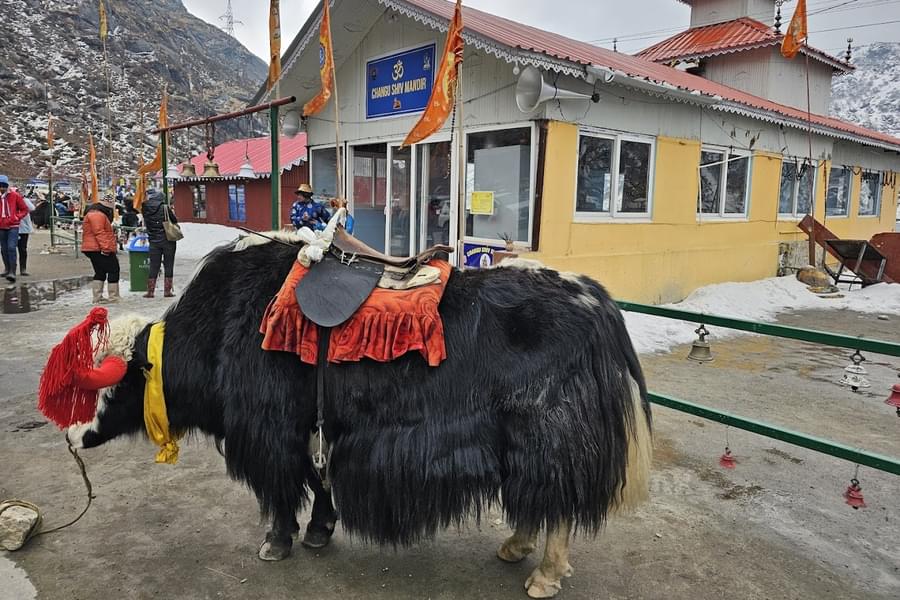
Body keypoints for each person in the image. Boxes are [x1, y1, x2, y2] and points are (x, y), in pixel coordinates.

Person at [81, 195, 120, 303]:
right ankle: (113, 296)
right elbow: (99, 232)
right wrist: (106, 248)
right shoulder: (97, 215)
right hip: (98, 248)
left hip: (92, 248)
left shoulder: (93, 213)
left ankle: (97, 297)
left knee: (100, 271)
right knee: (114, 269)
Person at [141, 189, 177, 298]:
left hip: (153, 241)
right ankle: (167, 291)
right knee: (169, 264)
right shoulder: (165, 208)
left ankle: (150, 292)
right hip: (168, 240)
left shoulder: (145, 208)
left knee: (154, 266)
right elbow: (174, 220)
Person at [1, 175, 30, 283]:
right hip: (1, 226)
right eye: (0, 186)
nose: (2, 188)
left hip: (13, 225)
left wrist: (16, 217)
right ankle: (7, 269)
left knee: (11, 247)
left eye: (3, 186)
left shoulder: (14, 196)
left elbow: (24, 209)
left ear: (7, 186)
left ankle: (12, 271)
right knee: (3, 249)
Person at [17, 193, 35, 276]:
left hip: (23, 229)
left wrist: (23, 200)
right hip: (10, 228)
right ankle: (10, 269)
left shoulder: (25, 200)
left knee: (22, 249)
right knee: (9, 250)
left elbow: (32, 208)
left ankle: (23, 269)